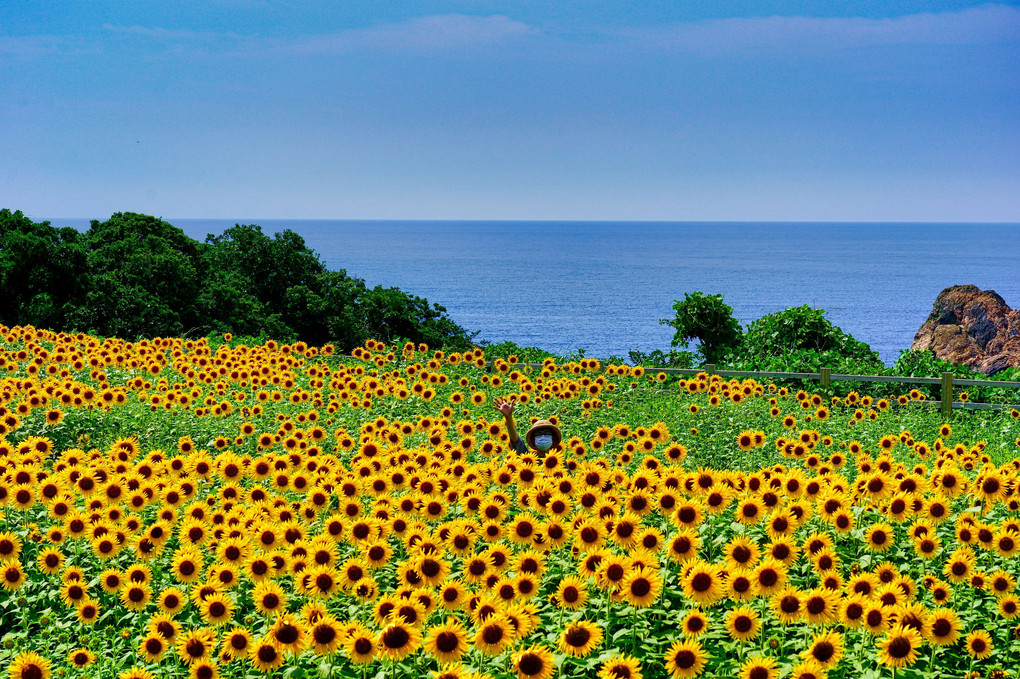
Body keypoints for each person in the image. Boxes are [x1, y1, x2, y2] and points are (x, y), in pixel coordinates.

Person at [493, 396, 561, 455]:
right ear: (533, 440)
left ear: (553, 439)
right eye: (538, 434)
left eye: (547, 433)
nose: (543, 437)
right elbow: (516, 442)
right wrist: (508, 417)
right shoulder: (528, 459)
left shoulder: (560, 463)